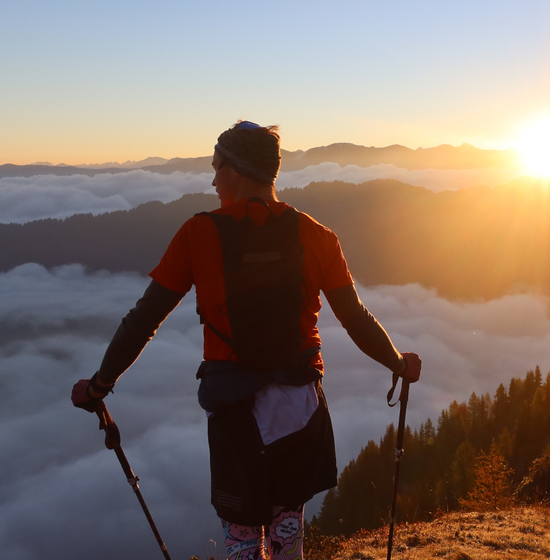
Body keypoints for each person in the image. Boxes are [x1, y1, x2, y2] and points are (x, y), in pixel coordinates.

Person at [71, 120, 421, 560]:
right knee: (286, 528)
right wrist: (398, 363)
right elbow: (355, 318)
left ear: (238, 169)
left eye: (218, 167)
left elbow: (144, 320)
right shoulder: (316, 235)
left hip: (234, 406)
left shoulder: (198, 234)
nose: (214, 179)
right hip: (300, 405)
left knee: (242, 535)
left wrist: (99, 386)